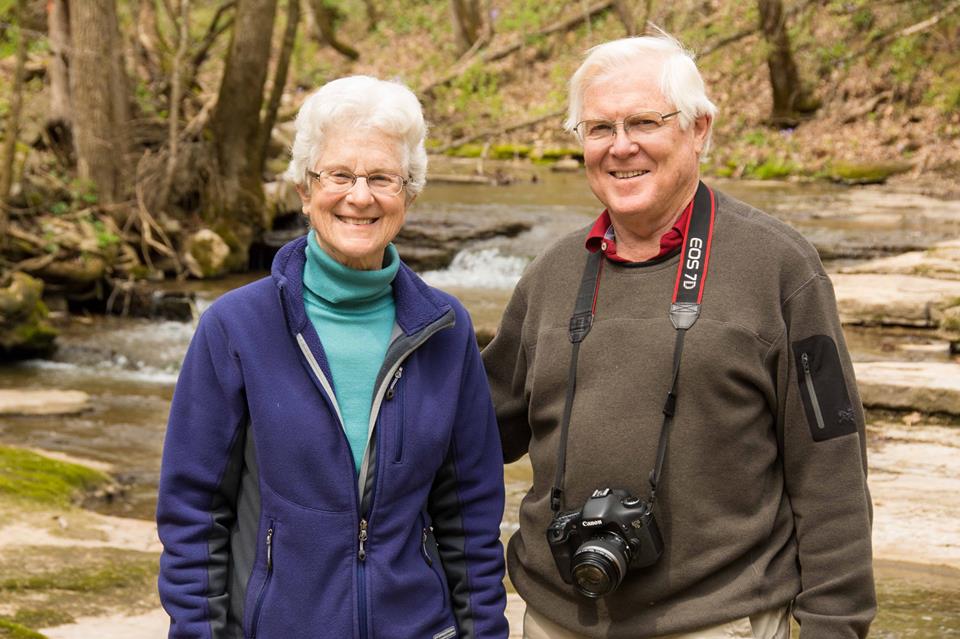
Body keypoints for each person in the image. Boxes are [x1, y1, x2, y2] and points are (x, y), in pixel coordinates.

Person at [483, 32, 876, 639]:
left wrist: (836, 624)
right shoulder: (550, 276)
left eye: (644, 121)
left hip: (721, 619)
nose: (621, 147)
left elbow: (832, 469)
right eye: (598, 128)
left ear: (698, 129)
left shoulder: (781, 270)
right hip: (555, 617)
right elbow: (473, 433)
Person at [157, 75, 508, 639]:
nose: (360, 196)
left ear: (409, 192)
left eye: (382, 178)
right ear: (304, 188)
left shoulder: (445, 329)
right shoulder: (236, 327)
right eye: (339, 175)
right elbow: (193, 514)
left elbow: (470, 520)